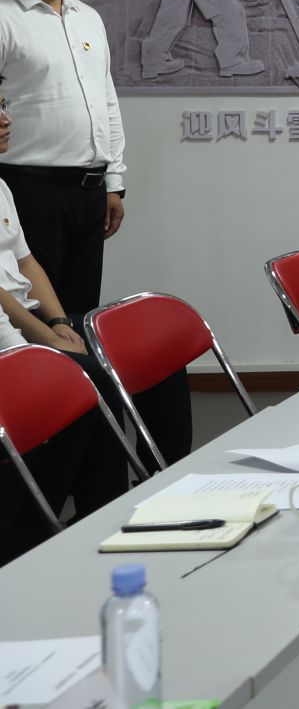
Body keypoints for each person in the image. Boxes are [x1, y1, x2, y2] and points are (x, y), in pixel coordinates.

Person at [0, 99, 175, 565]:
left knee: (151, 349)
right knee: (91, 379)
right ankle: (83, 522)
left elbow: (27, 264)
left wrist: (60, 322)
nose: (6, 121)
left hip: (31, 320)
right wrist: (44, 338)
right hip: (8, 335)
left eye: (4, 107)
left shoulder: (1, 186)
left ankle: (168, 482)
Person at [0, 0, 128, 314]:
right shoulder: (4, 18)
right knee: (33, 315)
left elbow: (106, 101)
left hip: (89, 191)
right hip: (27, 190)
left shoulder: (87, 17)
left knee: (79, 313)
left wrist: (113, 181)